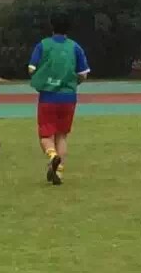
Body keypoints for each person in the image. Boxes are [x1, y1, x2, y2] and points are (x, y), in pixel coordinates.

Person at [28, 12, 90, 186]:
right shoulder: (75, 47)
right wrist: (72, 82)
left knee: (46, 135)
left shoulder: (43, 45)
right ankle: (59, 172)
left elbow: (31, 69)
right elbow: (83, 74)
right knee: (62, 136)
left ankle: (52, 155)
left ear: (52, 26)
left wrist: (42, 77)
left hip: (48, 97)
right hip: (69, 97)